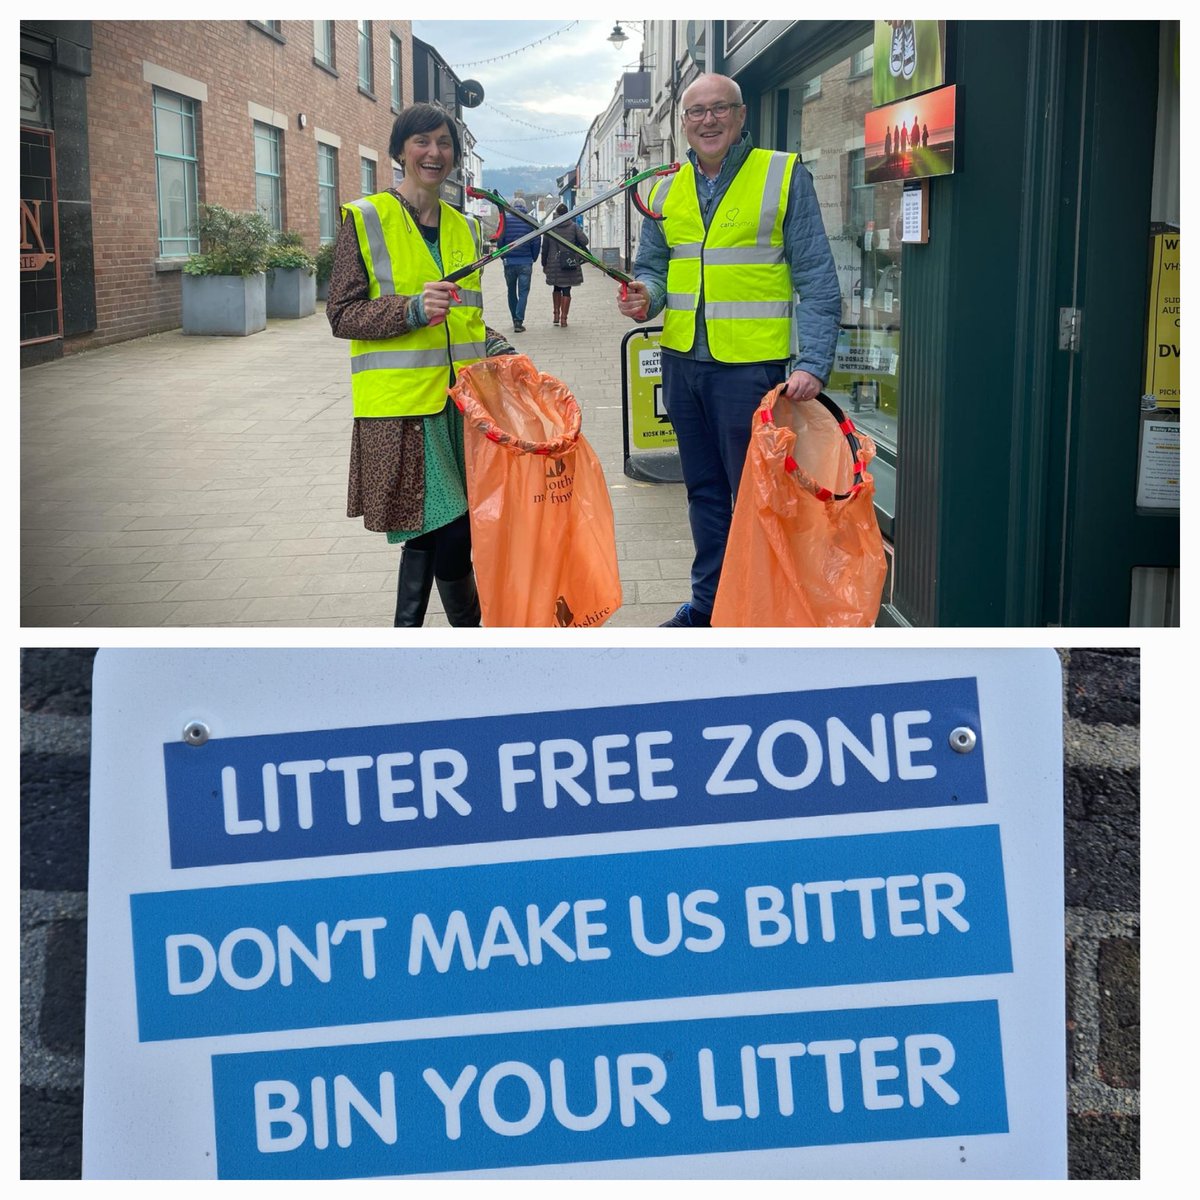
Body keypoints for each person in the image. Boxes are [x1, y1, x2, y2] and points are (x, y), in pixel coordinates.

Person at [616, 73, 840, 627]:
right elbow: (654, 268)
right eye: (696, 112)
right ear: (683, 124)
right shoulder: (666, 189)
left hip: (751, 371)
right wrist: (645, 299)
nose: (708, 120)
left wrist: (812, 361)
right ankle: (710, 606)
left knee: (761, 501)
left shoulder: (782, 175)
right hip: (684, 363)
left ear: (741, 117)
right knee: (705, 496)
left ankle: (764, 614)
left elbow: (816, 276)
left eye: (720, 109)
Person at [327, 103, 517, 627]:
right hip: (403, 407)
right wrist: (410, 309)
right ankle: (457, 634)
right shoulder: (365, 218)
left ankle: (430, 635)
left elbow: (470, 319)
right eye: (421, 142)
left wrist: (508, 357)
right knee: (445, 526)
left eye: (444, 143)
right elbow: (341, 314)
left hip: (464, 406)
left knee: (446, 531)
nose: (434, 153)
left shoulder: (463, 228)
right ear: (398, 151)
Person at [540, 203, 588, 327]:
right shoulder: (573, 226)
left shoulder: (550, 228)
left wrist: (544, 263)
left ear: (557, 213)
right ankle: (564, 319)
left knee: (556, 287)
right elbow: (585, 241)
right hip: (569, 262)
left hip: (553, 262)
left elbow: (544, 247)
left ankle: (555, 314)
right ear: (567, 213)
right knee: (566, 289)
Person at [497, 198, 540, 333]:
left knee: (511, 291)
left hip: (509, 262)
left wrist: (503, 255)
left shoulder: (505, 220)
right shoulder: (531, 221)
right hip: (525, 261)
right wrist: (533, 257)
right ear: (524, 207)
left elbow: (500, 239)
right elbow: (537, 241)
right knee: (523, 292)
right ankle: (519, 321)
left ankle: (514, 318)